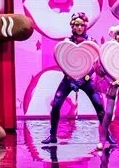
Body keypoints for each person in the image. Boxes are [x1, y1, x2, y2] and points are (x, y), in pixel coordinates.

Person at [41, 12, 107, 146]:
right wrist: (71, 78)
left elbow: (95, 63)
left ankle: (107, 135)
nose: (79, 27)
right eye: (77, 25)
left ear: (85, 26)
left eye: (82, 25)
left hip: (86, 79)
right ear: (72, 26)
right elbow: (62, 62)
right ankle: (53, 135)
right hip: (69, 79)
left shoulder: (91, 42)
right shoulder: (67, 43)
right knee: (56, 105)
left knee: (99, 106)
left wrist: (84, 78)